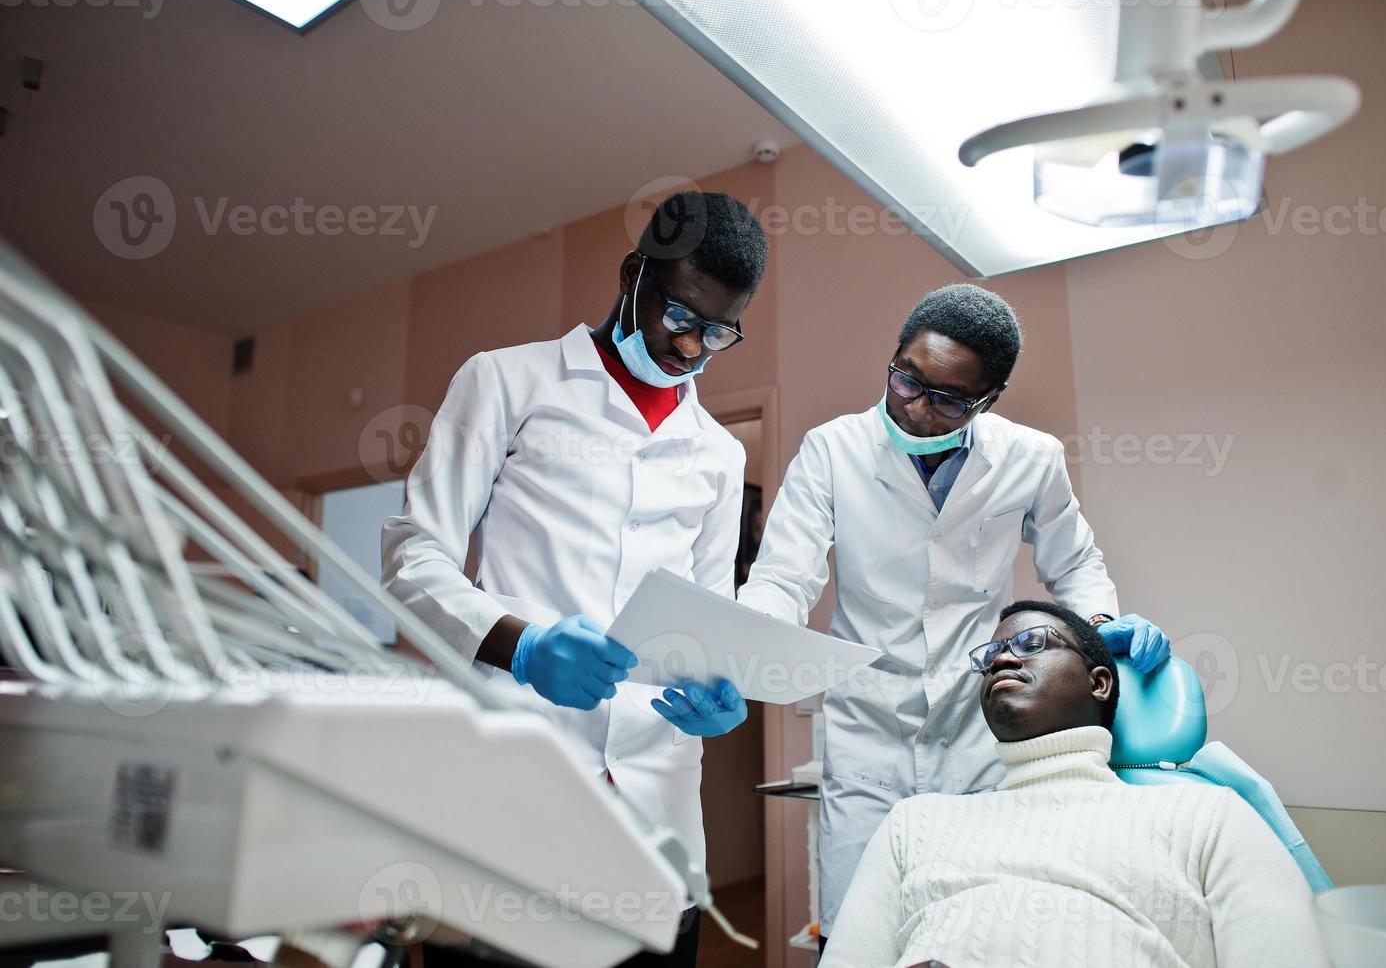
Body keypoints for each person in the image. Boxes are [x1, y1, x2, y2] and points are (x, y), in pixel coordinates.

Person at [381, 191, 766, 967]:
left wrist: (722, 691)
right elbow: (413, 556)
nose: (689, 348)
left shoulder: (719, 455)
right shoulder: (507, 382)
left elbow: (709, 612)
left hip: (655, 805)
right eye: (678, 315)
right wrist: (521, 647)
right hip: (517, 783)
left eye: (717, 332)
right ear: (633, 275)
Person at [737, 284, 1173, 942]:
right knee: (859, 930)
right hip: (867, 730)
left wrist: (1103, 629)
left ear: (987, 399)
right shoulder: (832, 449)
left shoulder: (1029, 458)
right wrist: (743, 643)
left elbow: (1075, 563)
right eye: (905, 379)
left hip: (974, 736)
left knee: (971, 925)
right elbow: (782, 575)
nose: (914, 407)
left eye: (946, 399)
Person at [822, 600, 1329, 967]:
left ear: (1099, 682)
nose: (1000, 659)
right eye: (992, 653)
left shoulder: (1206, 817)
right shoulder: (916, 823)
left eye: (1031, 643)